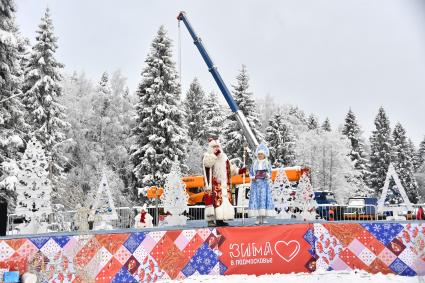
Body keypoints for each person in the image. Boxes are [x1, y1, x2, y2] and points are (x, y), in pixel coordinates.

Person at [203, 137, 246, 227]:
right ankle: (211, 220)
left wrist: (239, 171)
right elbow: (207, 164)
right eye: (214, 147)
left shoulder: (224, 157)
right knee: (215, 202)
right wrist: (214, 155)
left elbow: (230, 169)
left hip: (224, 184)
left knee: (223, 202)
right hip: (214, 184)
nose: (216, 148)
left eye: (217, 146)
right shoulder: (207, 156)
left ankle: (220, 220)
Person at [248, 144, 276, 224]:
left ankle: (264, 217)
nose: (260, 156)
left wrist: (267, 175)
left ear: (264, 155)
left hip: (264, 185)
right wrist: (253, 177)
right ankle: (258, 217)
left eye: (261, 154)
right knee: (256, 200)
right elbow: (250, 174)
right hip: (256, 184)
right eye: (259, 154)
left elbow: (270, 173)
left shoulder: (267, 163)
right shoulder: (254, 164)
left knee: (263, 200)